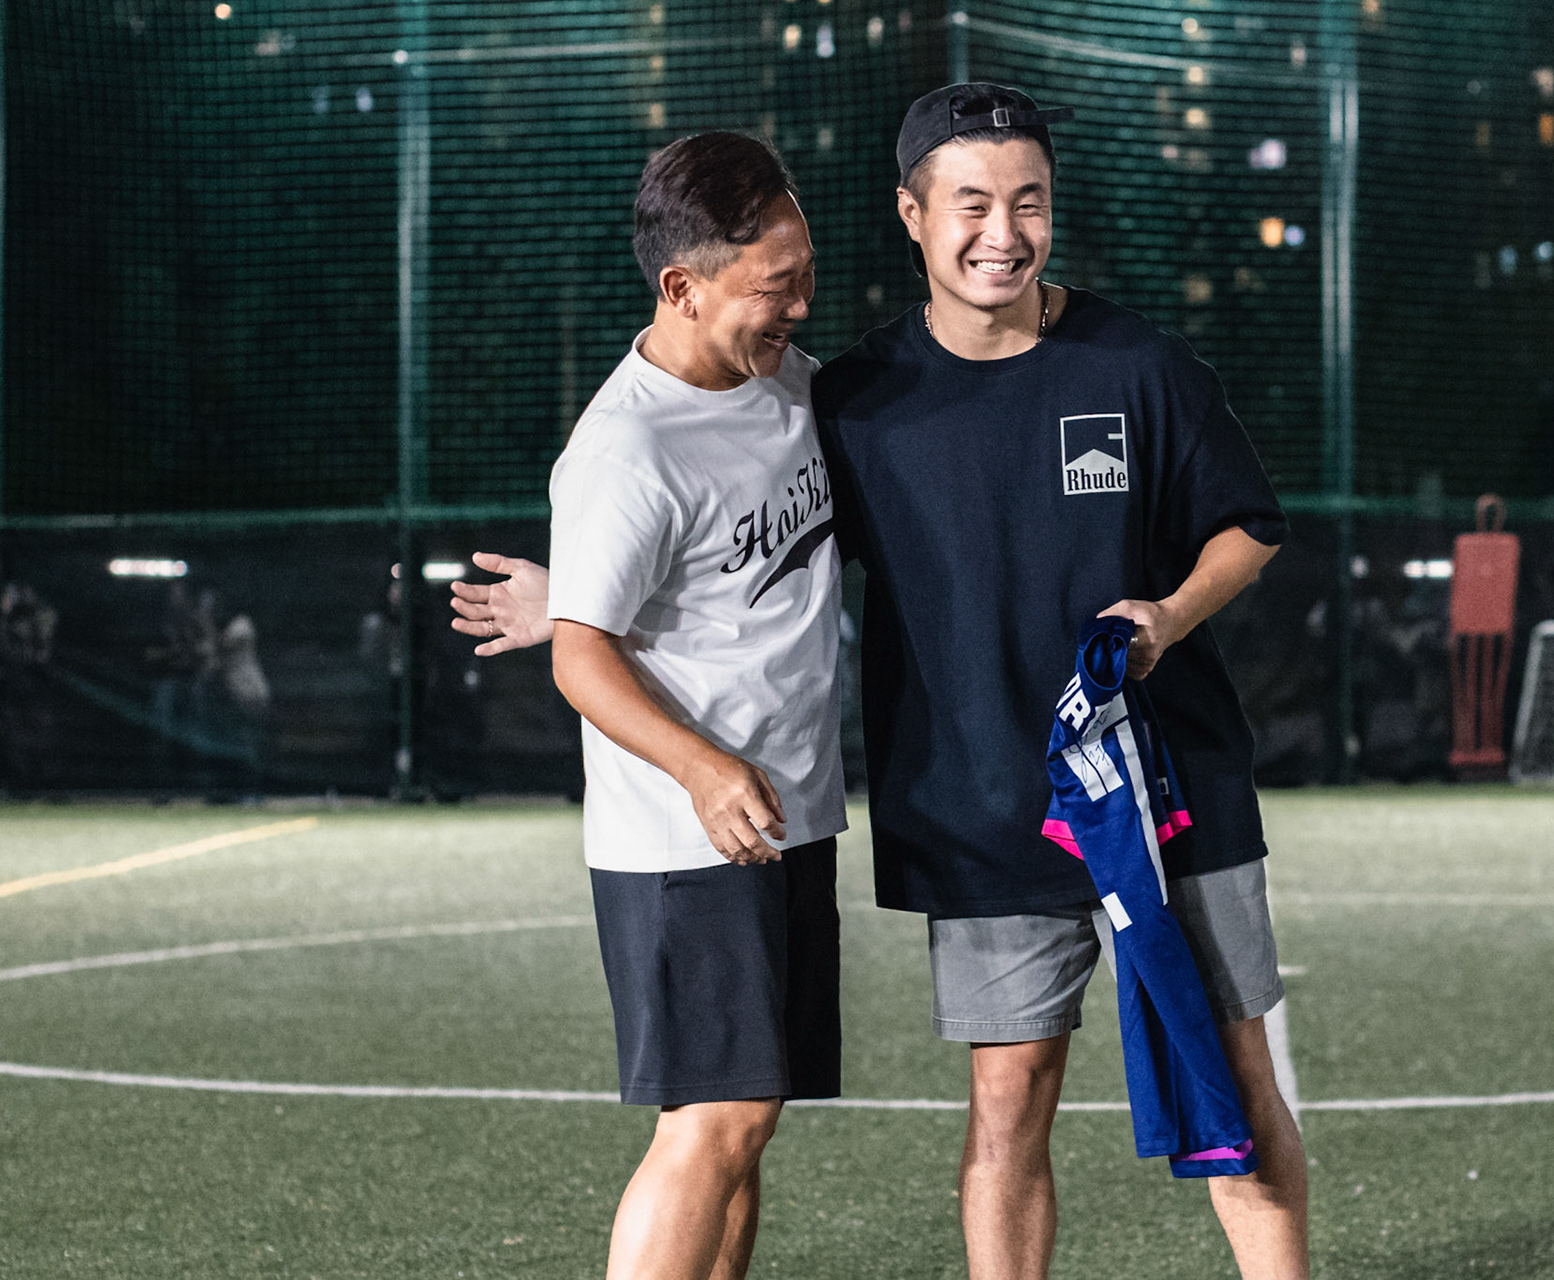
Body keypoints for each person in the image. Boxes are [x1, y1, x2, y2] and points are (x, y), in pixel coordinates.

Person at [455, 84, 1308, 1280]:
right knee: (973, 1105)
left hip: (1166, 791)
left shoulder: (1116, 366)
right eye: (972, 203)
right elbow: (689, 563)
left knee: (1234, 1073)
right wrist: (583, 613)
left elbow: (1249, 524)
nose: (1002, 232)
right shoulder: (846, 401)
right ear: (913, 213)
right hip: (969, 809)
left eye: (1029, 202)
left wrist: (1169, 612)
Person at [532, 130, 845, 1280]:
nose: (799, 305)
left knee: (749, 1115)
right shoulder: (627, 446)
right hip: (684, 835)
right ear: (683, 285)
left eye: (806, 274)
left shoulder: (788, 383)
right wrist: (703, 769)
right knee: (714, 1118)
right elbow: (582, 660)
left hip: (782, 815)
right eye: (775, 285)